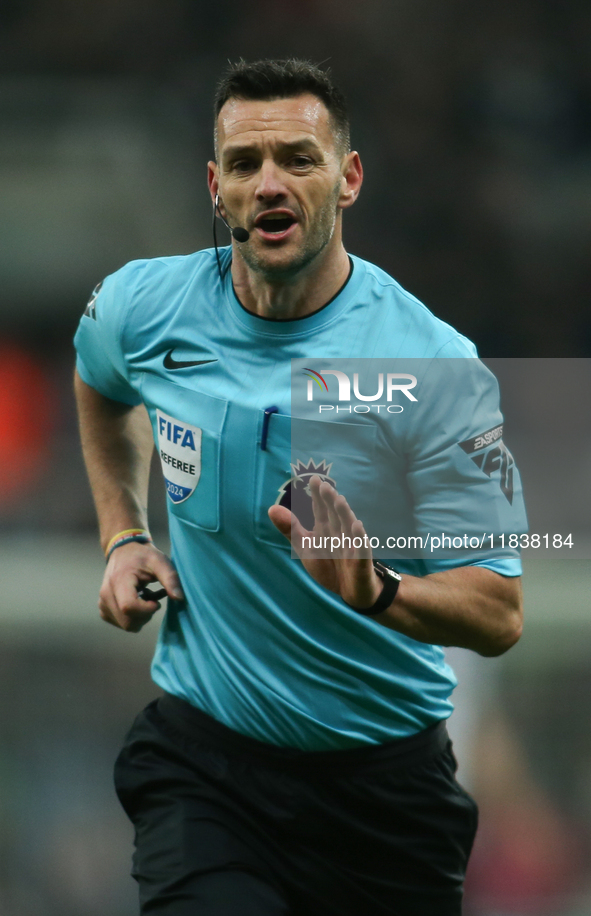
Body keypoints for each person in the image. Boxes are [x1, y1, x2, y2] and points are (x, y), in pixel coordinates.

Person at [74, 59, 526, 916]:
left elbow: (498, 612)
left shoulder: (431, 366)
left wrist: (376, 587)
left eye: (298, 158)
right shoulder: (142, 309)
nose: (269, 182)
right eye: (245, 164)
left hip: (383, 795)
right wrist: (123, 533)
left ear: (348, 178)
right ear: (215, 187)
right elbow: (99, 382)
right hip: (205, 765)